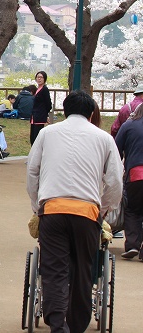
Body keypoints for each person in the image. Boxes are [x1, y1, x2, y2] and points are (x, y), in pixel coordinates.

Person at [26, 90, 123, 333]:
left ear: (64, 110)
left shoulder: (47, 133)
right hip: (87, 212)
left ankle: (58, 325)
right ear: (91, 114)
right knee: (83, 270)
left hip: (53, 209)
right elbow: (115, 181)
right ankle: (77, 325)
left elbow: (32, 170)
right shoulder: (103, 138)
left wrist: (37, 204)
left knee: (54, 269)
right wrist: (104, 209)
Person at [113, 103, 143, 260]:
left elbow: (115, 149)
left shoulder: (129, 125)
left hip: (136, 173)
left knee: (133, 209)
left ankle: (132, 245)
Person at [31, 71, 52, 146]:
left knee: (37, 138)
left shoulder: (44, 89)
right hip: (34, 116)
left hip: (40, 116)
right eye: (38, 77)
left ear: (44, 79)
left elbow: (48, 103)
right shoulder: (37, 89)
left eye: (41, 77)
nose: (39, 79)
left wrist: (46, 114)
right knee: (32, 138)